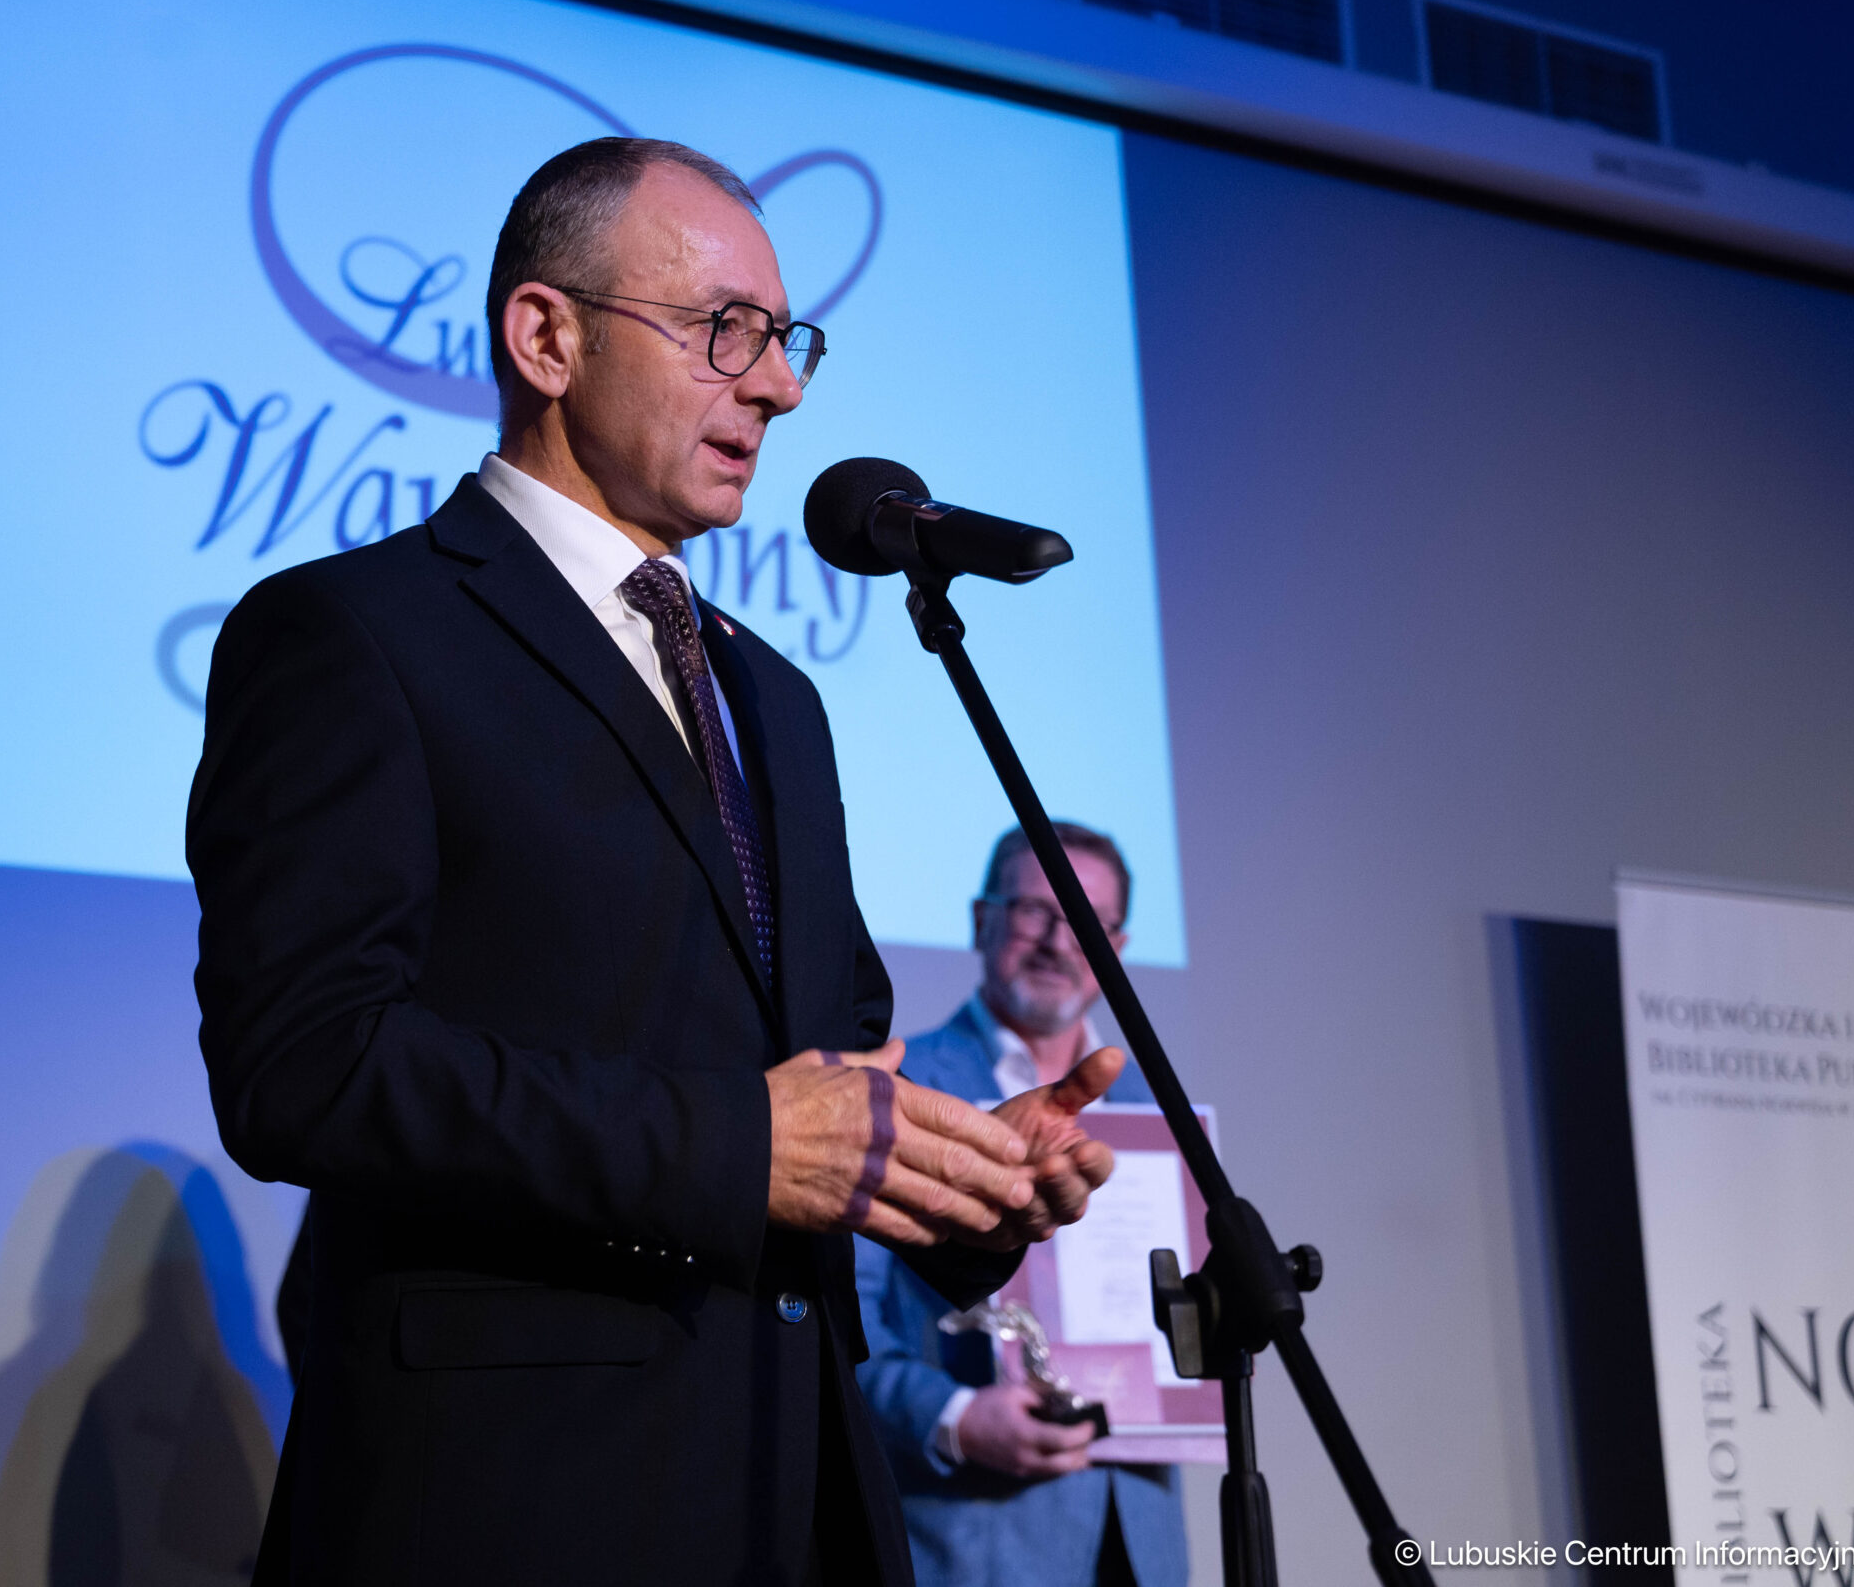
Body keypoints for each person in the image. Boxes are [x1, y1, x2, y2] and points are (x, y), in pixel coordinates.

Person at [187, 137, 1126, 1587]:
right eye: (725, 330)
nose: (782, 386)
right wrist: (740, 1145)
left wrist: (967, 1182)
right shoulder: (355, 634)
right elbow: (306, 1064)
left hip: (796, 1497)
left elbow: (837, 1074)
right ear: (546, 337)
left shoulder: (774, 697)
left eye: (789, 338)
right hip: (514, 1503)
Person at [852, 824, 1192, 1587]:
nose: (1057, 940)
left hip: (1143, 1543)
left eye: (1085, 921)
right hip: (973, 1542)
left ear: (1117, 946)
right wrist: (954, 1418)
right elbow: (847, 1317)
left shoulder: (1156, 1110)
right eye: (1036, 909)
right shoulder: (905, 1084)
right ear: (983, 920)